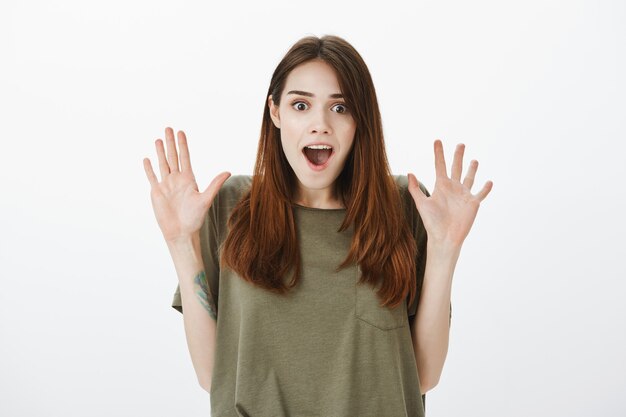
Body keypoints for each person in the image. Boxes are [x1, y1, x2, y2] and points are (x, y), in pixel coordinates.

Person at [143, 34, 492, 417]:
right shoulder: (229, 205)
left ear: (361, 119)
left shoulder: (403, 206)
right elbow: (213, 376)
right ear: (275, 113)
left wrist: (445, 250)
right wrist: (180, 243)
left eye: (340, 107)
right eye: (300, 105)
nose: (319, 124)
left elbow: (423, 375)